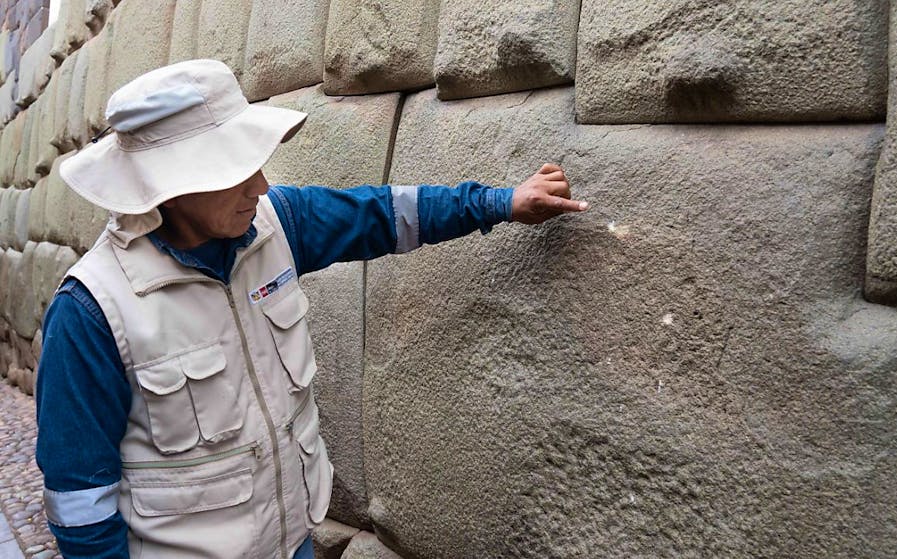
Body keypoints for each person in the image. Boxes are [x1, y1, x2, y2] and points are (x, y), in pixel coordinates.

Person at [33, 59, 587, 558]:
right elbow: (81, 504)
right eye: (234, 169)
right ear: (168, 187)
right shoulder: (91, 313)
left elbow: (383, 215)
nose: (260, 184)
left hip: (293, 541)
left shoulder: (276, 223)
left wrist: (501, 202)